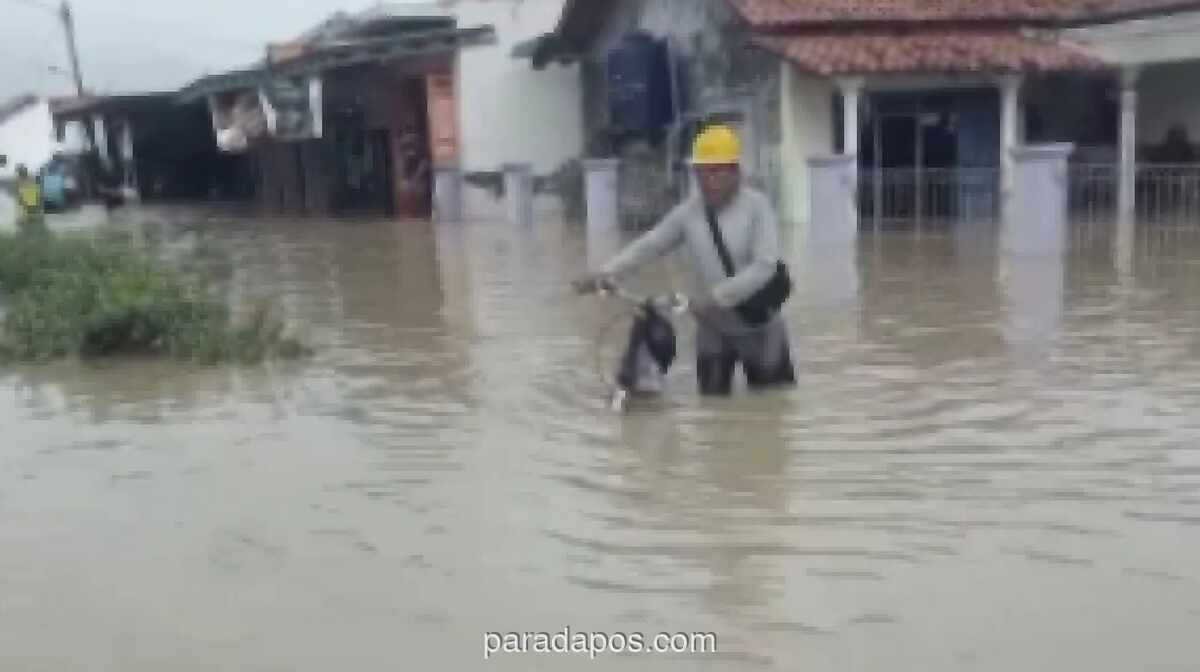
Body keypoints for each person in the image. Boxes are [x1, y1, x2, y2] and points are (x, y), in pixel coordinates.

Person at [574, 124, 796, 396]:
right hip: (712, 329)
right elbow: (651, 245)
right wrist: (606, 274)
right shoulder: (689, 213)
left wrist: (714, 297)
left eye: (717, 171)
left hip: (760, 329)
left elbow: (765, 266)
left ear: (735, 171)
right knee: (713, 410)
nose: (709, 180)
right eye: (702, 172)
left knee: (771, 410)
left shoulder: (757, 207)